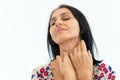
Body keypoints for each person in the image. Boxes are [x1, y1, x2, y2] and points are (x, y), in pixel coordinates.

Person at [31, 4, 116, 80]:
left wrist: (84, 75)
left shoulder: (104, 71)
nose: (57, 23)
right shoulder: (40, 74)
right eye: (53, 23)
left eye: (65, 18)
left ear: (82, 27)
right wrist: (69, 76)